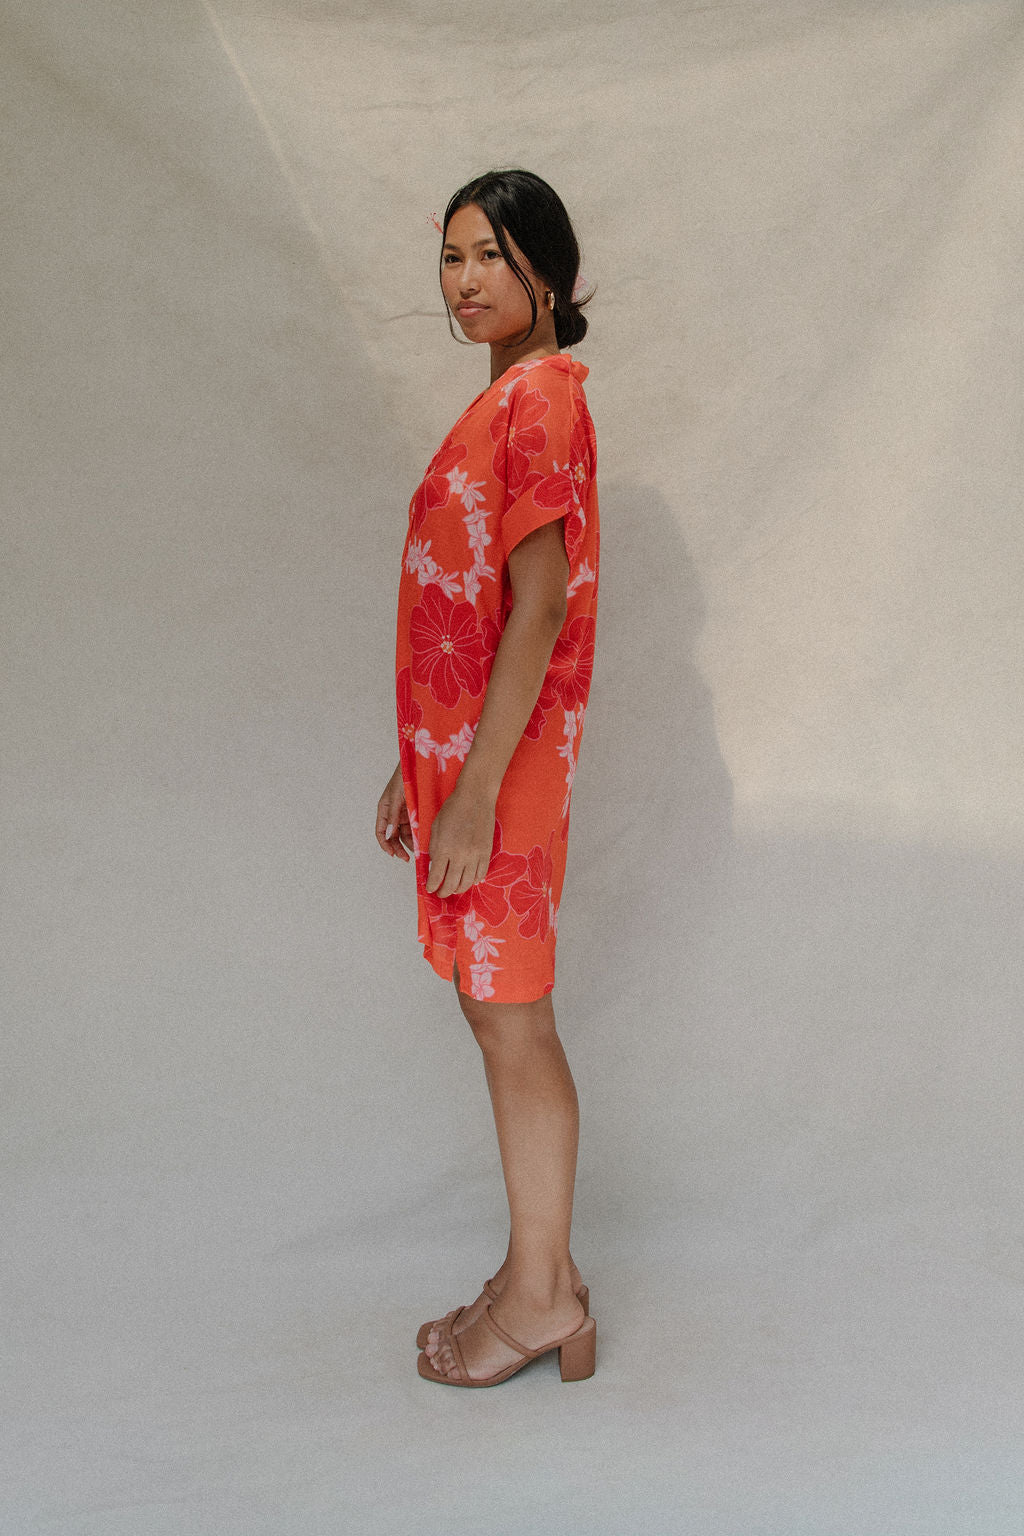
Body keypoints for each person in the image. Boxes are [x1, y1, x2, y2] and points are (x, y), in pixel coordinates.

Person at [376, 169, 600, 1388]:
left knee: (514, 1022)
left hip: (503, 773)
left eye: (490, 257)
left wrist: (468, 792)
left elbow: (538, 604)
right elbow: (460, 606)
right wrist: (412, 764)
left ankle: (543, 1299)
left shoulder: (541, 398)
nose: (463, 281)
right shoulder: (507, 398)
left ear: (545, 275)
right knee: (496, 1016)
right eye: (451, 257)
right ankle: (536, 1273)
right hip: (474, 761)